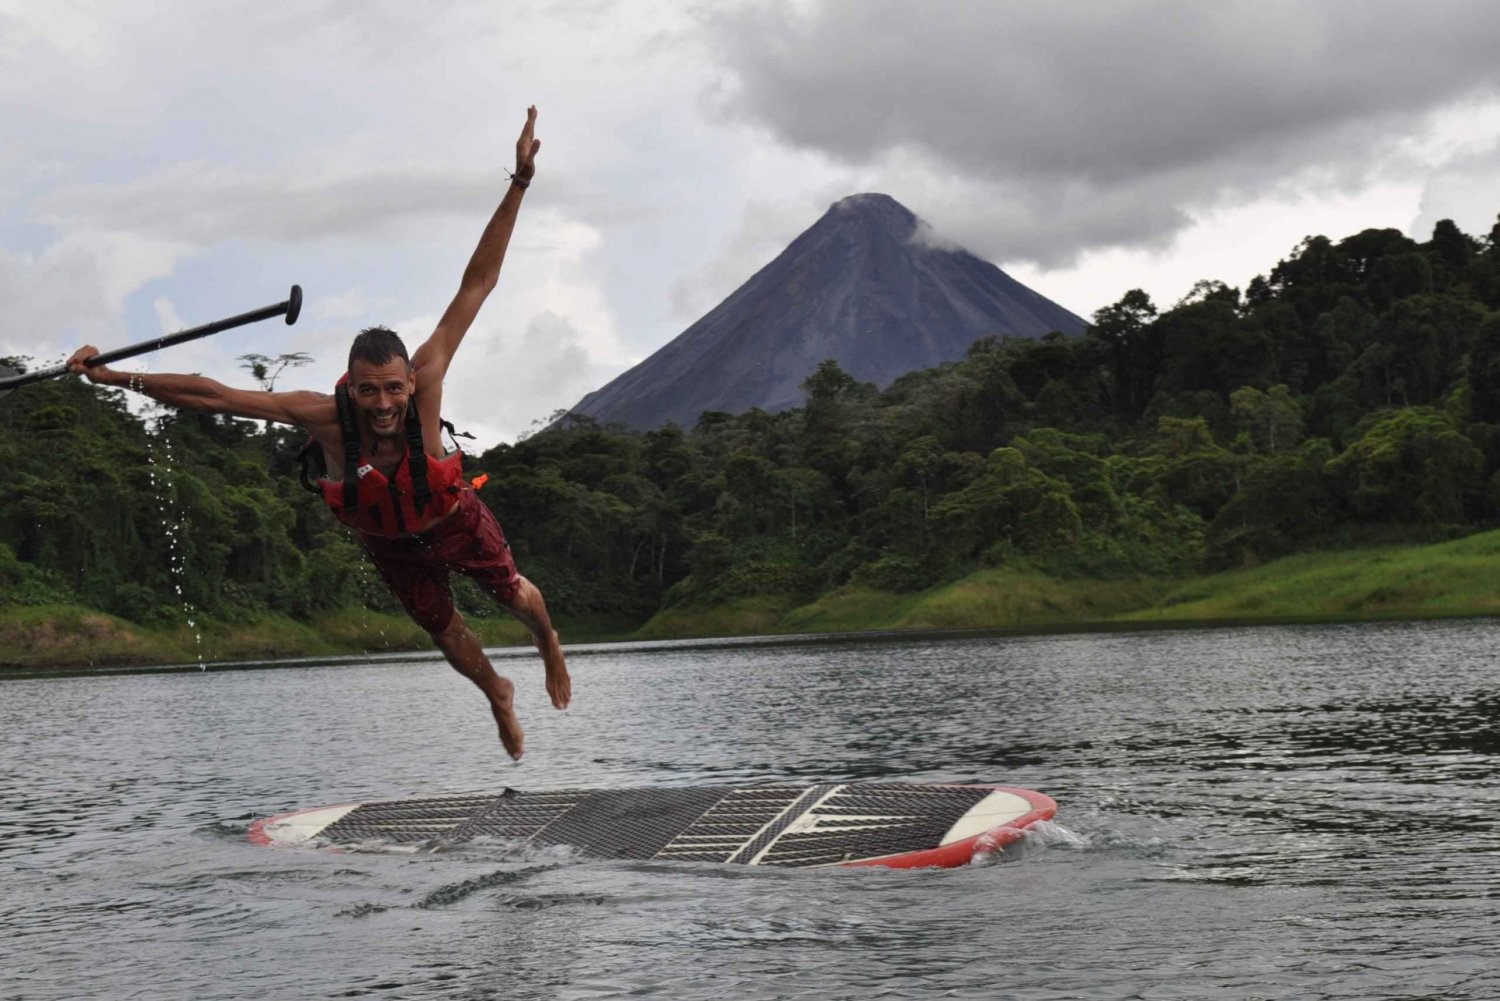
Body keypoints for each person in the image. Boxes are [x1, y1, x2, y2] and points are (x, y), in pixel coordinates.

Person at [66, 106, 567, 760]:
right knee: (446, 633)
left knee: (517, 597)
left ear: (408, 382)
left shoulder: (429, 374)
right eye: (368, 390)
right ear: (350, 385)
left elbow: (480, 281)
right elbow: (214, 393)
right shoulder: (323, 416)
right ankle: (496, 690)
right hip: (388, 537)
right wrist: (115, 377)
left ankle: (549, 643)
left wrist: (520, 182)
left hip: (448, 514)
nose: (383, 404)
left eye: (392, 389)